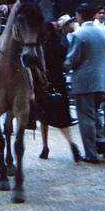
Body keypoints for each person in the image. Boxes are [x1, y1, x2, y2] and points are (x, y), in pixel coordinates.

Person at [64, 3, 105, 164]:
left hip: (84, 81)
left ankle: (91, 154)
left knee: (86, 118)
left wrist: (63, 66)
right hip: (102, 80)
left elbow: (71, 60)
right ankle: (101, 141)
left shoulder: (79, 34)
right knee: (96, 114)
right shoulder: (103, 34)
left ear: (80, 15)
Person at [36, 20, 82, 162]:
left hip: (44, 84)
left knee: (44, 118)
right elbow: (65, 64)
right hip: (59, 83)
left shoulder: (41, 49)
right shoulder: (62, 46)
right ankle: (71, 143)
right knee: (63, 118)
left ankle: (45, 147)